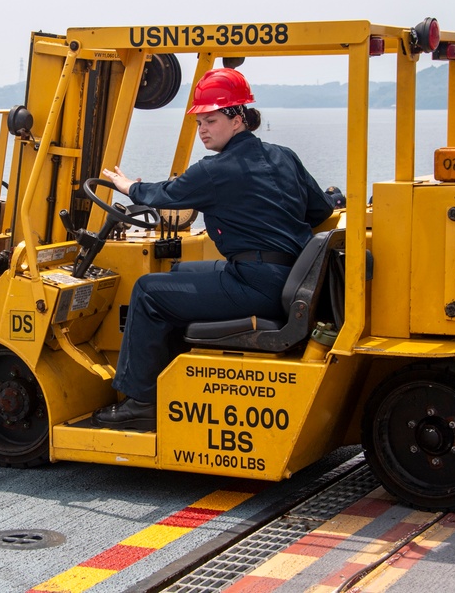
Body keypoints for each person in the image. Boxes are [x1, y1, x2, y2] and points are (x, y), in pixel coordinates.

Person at [92, 68, 334, 430]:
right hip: (289, 278)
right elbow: (321, 210)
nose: (203, 129)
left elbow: (163, 195)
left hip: (255, 284)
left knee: (147, 291)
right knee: (179, 274)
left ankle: (140, 401)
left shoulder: (215, 170)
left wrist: (127, 186)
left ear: (238, 119)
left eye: (211, 120)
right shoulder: (284, 156)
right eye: (199, 122)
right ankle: (174, 376)